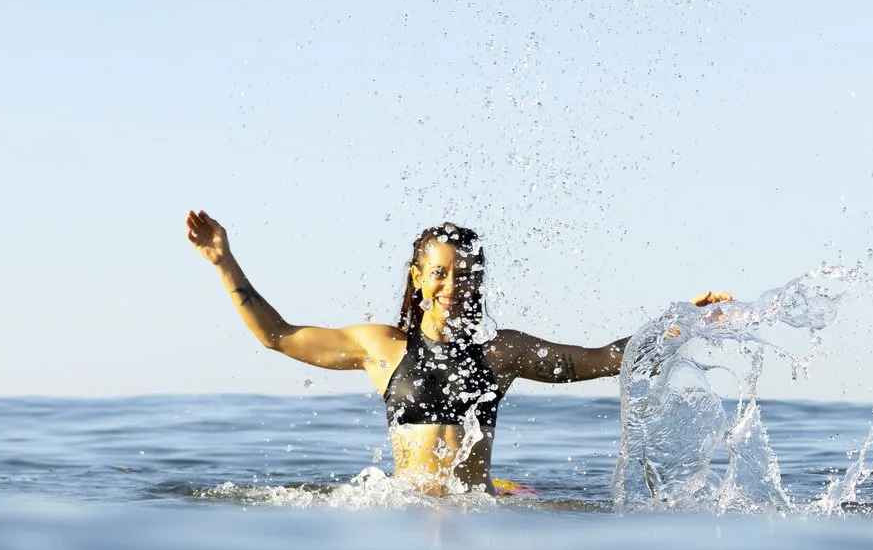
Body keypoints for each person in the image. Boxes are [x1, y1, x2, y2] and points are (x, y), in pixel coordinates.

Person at [183, 212, 728, 495]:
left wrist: (677, 326)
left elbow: (603, 358)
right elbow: (278, 335)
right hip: (405, 509)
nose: (453, 286)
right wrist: (222, 262)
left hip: (477, 510)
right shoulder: (382, 348)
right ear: (418, 279)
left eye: (466, 276)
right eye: (440, 274)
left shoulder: (502, 354)